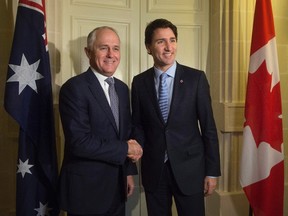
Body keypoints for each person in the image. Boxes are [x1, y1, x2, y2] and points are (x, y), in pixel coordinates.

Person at [131, 18, 221, 216]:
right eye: (160, 41)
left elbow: (208, 128)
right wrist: (133, 158)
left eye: (172, 40)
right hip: (155, 171)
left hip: (190, 170)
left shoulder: (196, 79)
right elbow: (138, 125)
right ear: (148, 47)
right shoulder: (139, 82)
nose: (168, 47)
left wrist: (212, 171)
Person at [58, 26, 143, 216]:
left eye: (116, 48)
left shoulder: (122, 89)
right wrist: (125, 150)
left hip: (117, 187)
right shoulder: (74, 88)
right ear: (88, 52)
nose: (111, 54)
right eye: (103, 48)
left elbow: (125, 133)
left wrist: (128, 171)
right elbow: (80, 143)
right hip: (86, 190)